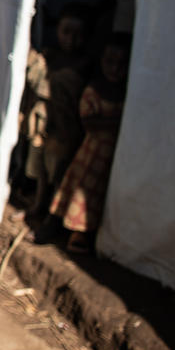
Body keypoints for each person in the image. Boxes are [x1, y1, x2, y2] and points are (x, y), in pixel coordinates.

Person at [40, 32, 132, 254]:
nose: (115, 69)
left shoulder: (128, 94)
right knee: (78, 190)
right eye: (110, 61)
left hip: (114, 158)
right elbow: (89, 121)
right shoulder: (95, 90)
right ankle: (63, 227)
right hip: (90, 154)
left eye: (122, 63)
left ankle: (82, 233)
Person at [23, 3, 90, 221]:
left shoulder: (84, 66)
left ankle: (52, 215)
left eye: (78, 34)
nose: (70, 39)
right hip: (44, 125)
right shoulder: (49, 57)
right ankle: (37, 205)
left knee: (59, 172)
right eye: (66, 32)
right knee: (41, 167)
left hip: (65, 131)